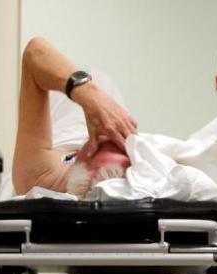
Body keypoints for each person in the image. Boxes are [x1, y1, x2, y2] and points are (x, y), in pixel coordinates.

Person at [13, 37, 138, 197]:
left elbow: (35, 52)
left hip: (61, 118)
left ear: (80, 160)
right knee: (103, 83)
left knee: (96, 79)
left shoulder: (42, 177)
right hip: (98, 93)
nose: (104, 133)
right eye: (119, 145)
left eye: (100, 145)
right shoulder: (130, 170)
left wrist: (90, 96)